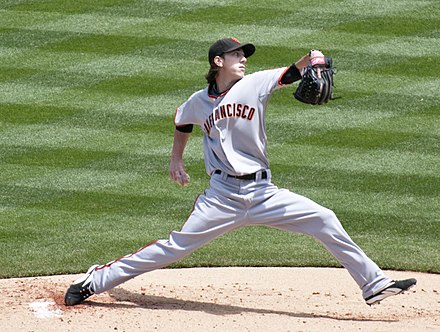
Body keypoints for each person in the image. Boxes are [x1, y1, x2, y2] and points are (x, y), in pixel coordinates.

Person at [65, 37, 416, 306]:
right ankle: (97, 279)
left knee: (324, 218)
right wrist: (176, 158)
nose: (243, 59)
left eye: (244, 54)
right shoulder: (198, 101)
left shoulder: (256, 83)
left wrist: (316, 57)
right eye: (236, 55)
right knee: (176, 247)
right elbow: (181, 120)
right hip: (221, 197)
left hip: (264, 193)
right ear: (218, 62)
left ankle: (374, 285)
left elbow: (296, 70)